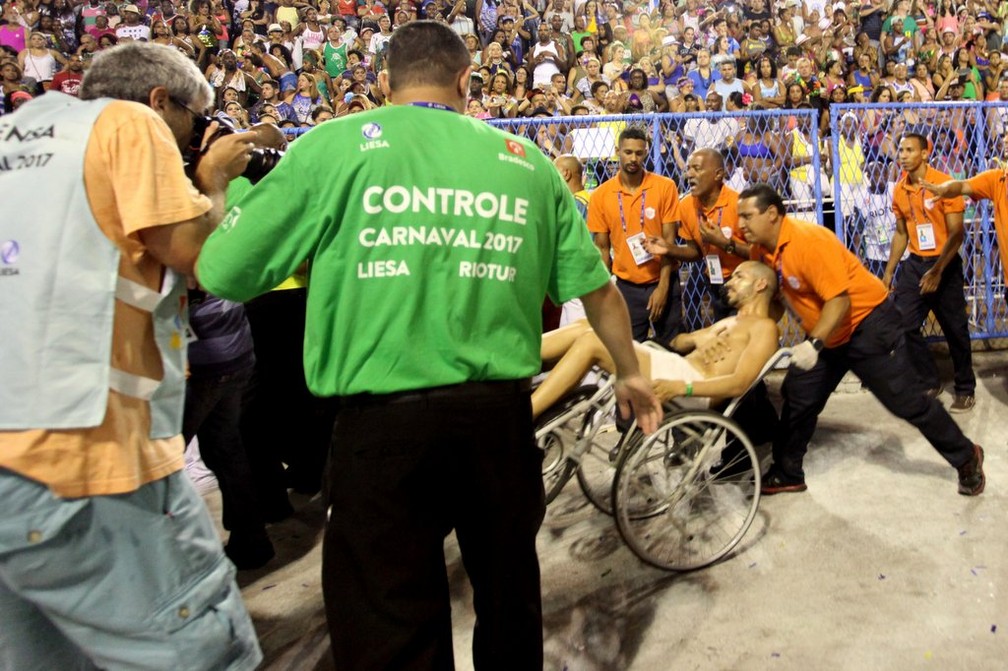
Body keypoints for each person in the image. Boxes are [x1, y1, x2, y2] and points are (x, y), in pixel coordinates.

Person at [194, 21, 661, 671]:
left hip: (380, 431)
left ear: (385, 83)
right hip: (498, 425)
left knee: (389, 617)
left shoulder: (330, 148)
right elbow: (601, 293)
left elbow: (219, 272)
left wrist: (217, 187)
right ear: (467, 80)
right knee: (508, 598)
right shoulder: (527, 164)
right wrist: (632, 373)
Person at [0, 42, 262, 669]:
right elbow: (203, 262)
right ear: (160, 101)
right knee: (207, 653)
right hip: (87, 458)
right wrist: (212, 179)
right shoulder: (129, 123)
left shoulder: (16, 135)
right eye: (199, 120)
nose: (200, 134)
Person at [737, 184, 984, 497]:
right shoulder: (763, 250)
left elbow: (839, 302)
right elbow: (776, 298)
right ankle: (787, 472)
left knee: (907, 402)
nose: (741, 224)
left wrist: (813, 345)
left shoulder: (808, 241)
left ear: (772, 214)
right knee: (799, 394)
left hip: (867, 325)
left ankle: (966, 457)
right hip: (829, 334)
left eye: (747, 216)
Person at [532, 260, 780, 417]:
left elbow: (739, 383)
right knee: (587, 326)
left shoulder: (764, 328)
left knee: (592, 341)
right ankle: (519, 356)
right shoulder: (730, 321)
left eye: (739, 277)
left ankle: (526, 415)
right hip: (676, 366)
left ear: (760, 284)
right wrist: (696, 340)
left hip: (690, 386)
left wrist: (683, 387)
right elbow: (677, 343)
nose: (730, 282)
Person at [881, 133, 976, 412]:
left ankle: (965, 388)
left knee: (955, 329)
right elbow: (901, 233)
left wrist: (936, 271)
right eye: (900, 150)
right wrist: (888, 272)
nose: (903, 155)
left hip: (944, 263)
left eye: (910, 150)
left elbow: (957, 233)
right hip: (915, 263)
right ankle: (928, 380)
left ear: (925, 153)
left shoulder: (945, 184)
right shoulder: (899, 189)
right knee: (903, 323)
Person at [588, 126, 683, 343]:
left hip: (663, 278)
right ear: (617, 151)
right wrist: (604, 292)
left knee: (673, 346)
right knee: (630, 350)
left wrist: (663, 287)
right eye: (628, 152)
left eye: (639, 153)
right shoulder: (600, 196)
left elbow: (669, 243)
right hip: (626, 286)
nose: (633, 158)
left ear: (646, 153)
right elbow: (602, 249)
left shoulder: (665, 187)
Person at [648, 147, 749, 322]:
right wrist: (668, 248)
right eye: (688, 169)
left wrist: (725, 243)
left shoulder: (739, 204)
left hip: (744, 282)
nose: (689, 174)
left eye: (697, 168)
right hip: (715, 283)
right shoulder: (686, 205)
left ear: (718, 174)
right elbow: (694, 252)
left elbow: (758, 253)